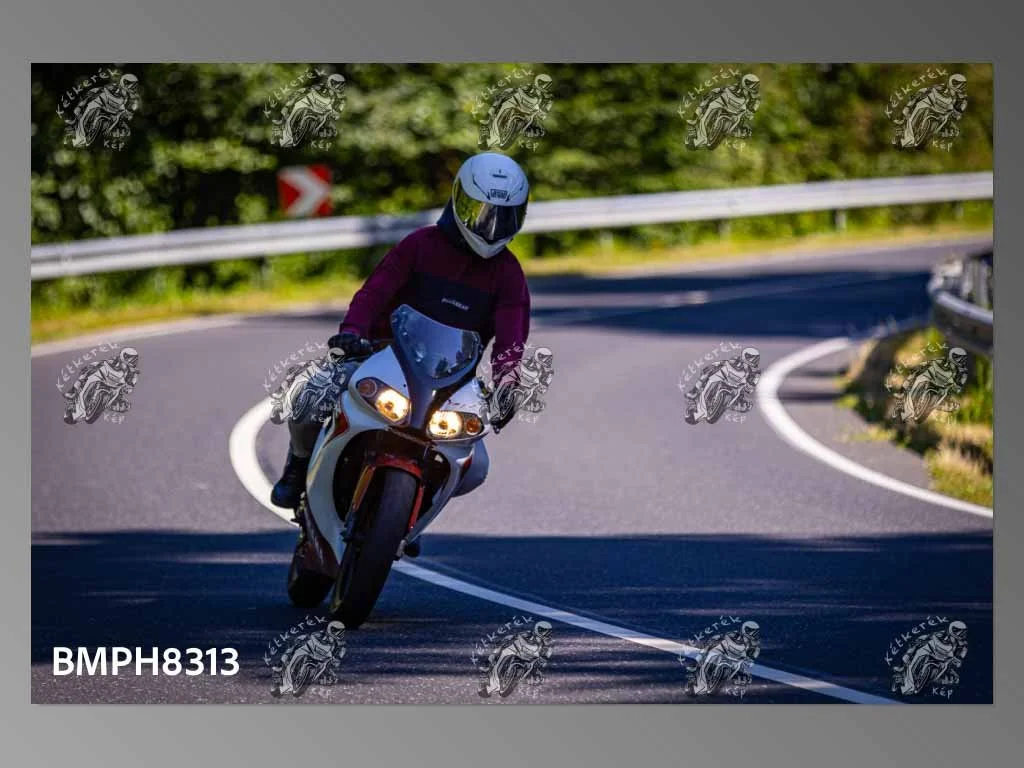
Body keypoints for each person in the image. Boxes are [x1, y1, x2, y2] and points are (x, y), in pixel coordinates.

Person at [270, 152, 533, 530]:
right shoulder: (420, 245)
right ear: (459, 200)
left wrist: (508, 382)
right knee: (308, 396)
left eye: (503, 217)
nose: (490, 227)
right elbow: (374, 293)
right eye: (482, 213)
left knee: (476, 468)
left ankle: (409, 513)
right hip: (379, 355)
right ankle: (297, 468)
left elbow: (511, 340)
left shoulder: (509, 275)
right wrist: (352, 332)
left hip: (451, 382)